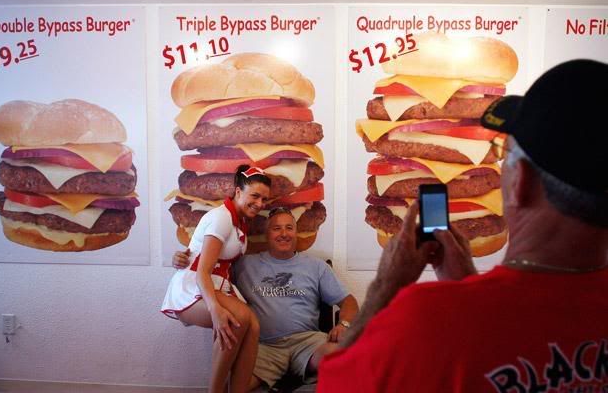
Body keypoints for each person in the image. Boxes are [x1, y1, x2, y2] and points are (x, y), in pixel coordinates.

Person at [317, 59, 608, 392]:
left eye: (503, 152)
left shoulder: (427, 318)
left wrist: (385, 287)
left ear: (520, 182)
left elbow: (335, 384)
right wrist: (467, 283)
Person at [173, 206, 359, 390]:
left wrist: (344, 325)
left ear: (296, 232)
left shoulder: (317, 267)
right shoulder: (243, 264)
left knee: (345, 359)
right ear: (267, 234)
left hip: (308, 343)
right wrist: (183, 259)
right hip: (263, 347)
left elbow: (348, 301)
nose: (283, 234)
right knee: (236, 387)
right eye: (276, 228)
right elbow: (210, 268)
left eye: (289, 228)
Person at [161, 165, 271, 393]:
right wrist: (215, 310)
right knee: (238, 318)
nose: (260, 204)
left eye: (264, 199)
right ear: (238, 192)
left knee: (254, 325)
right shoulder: (221, 218)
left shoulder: (238, 221)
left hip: (217, 284)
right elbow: (202, 270)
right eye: (255, 196)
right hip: (194, 285)